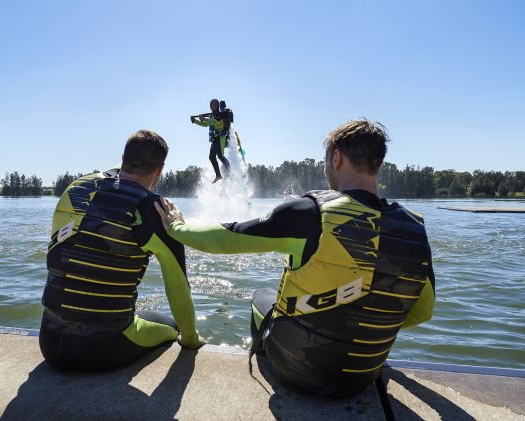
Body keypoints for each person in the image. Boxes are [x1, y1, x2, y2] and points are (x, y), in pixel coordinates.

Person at [155, 119, 435, 398]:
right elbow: (422, 312)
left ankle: (258, 377)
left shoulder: (311, 212)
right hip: (362, 379)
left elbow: (224, 239)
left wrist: (177, 226)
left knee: (262, 297)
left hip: (299, 372)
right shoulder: (414, 228)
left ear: (337, 157)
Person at [39, 130, 204, 371]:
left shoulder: (76, 189)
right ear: (160, 170)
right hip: (103, 348)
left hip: (50, 342)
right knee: (171, 327)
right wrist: (190, 341)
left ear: (123, 158)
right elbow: (177, 285)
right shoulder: (156, 210)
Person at [191, 99, 231, 183]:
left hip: (220, 138)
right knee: (211, 157)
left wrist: (204, 119)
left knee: (220, 156)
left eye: (213, 104)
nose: (211, 106)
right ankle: (218, 175)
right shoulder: (213, 115)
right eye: (210, 105)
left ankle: (230, 170)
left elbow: (214, 122)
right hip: (215, 139)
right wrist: (195, 121)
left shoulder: (220, 114)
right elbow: (206, 124)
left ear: (217, 105)